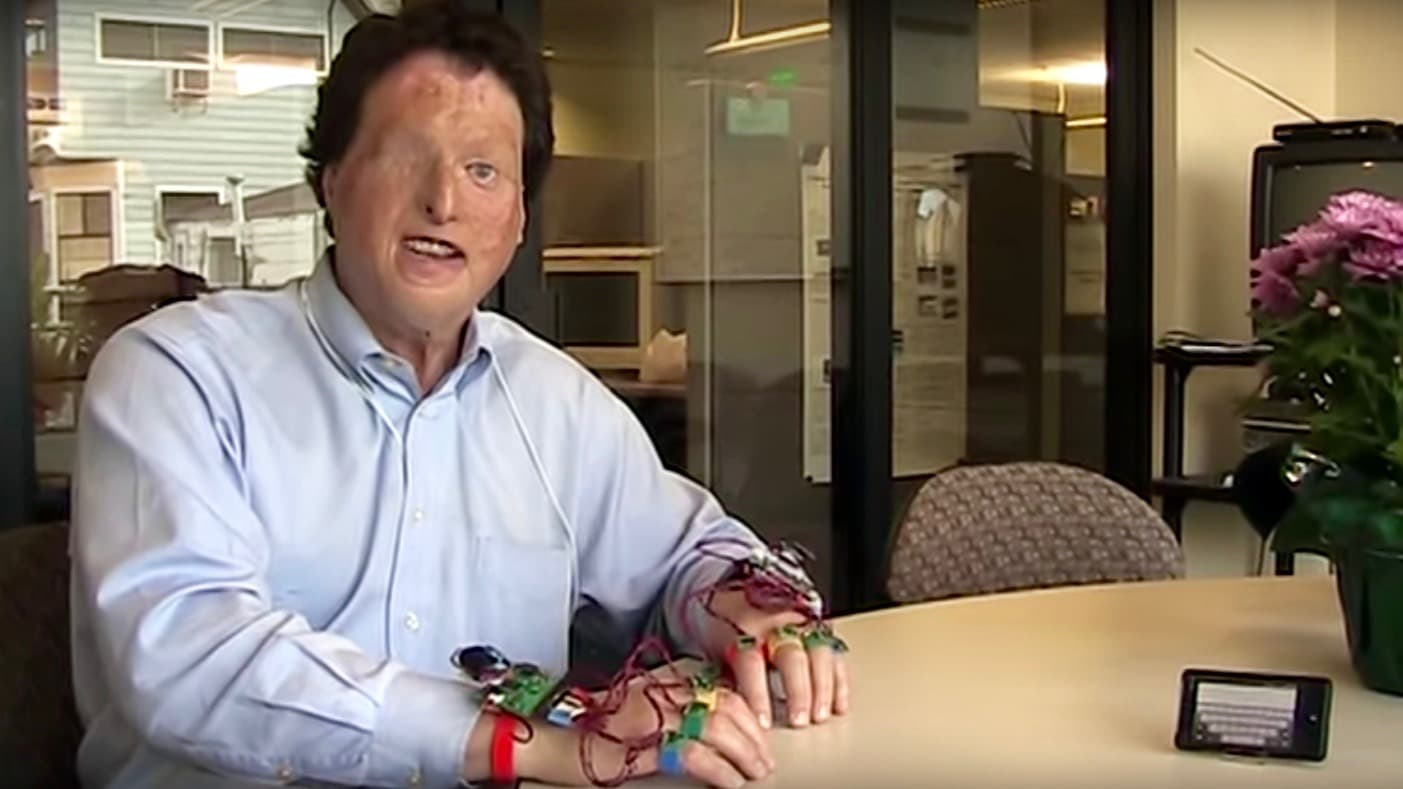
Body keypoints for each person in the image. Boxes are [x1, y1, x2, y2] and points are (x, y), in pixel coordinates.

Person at [69, 4, 849, 788]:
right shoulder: (178, 373)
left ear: (517, 218)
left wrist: (743, 608)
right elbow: (189, 652)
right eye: (405, 157)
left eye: (483, 171)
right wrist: (529, 737)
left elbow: (686, 553)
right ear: (331, 180)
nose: (443, 201)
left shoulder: (555, 401)